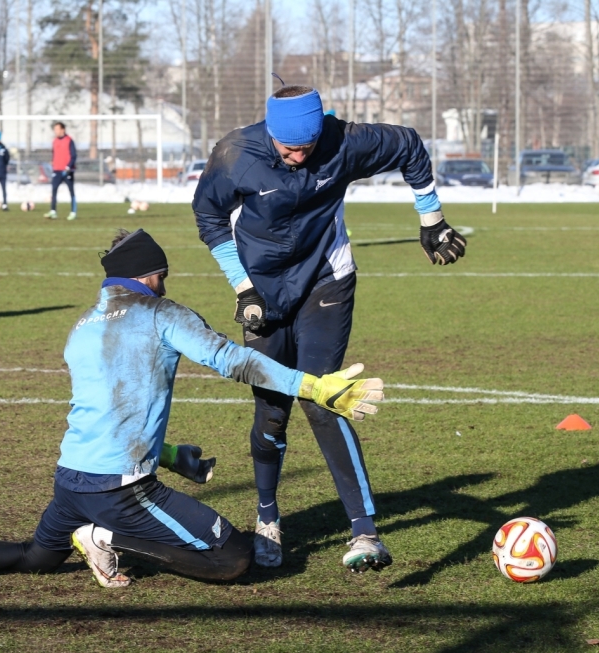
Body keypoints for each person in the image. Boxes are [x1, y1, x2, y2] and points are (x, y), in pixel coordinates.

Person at [0, 228, 384, 587]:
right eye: (164, 275)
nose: (165, 283)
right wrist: (314, 387)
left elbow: (105, 409)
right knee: (234, 558)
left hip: (71, 478)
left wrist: (171, 452)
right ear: (151, 277)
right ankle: (104, 537)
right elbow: (234, 360)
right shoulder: (159, 312)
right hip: (121, 492)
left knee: (35, 557)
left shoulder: (82, 326)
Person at [193, 83, 467, 572]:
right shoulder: (235, 154)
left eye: (307, 146)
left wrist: (432, 219)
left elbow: (410, 145)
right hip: (264, 294)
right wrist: (242, 287)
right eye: (288, 148)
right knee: (271, 413)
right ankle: (268, 519)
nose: (298, 156)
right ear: (271, 134)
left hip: (327, 281)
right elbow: (208, 214)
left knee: (325, 397)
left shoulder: (346, 142)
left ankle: (366, 533)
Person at [44, 121, 77, 221]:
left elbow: (73, 155)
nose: (56, 131)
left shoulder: (69, 140)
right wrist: (53, 162)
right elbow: (54, 154)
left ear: (63, 129)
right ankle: (53, 211)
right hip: (57, 170)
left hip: (67, 171)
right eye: (55, 129)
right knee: (54, 190)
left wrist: (68, 166)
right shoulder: (54, 141)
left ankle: (73, 212)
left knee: (71, 192)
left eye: (57, 129)